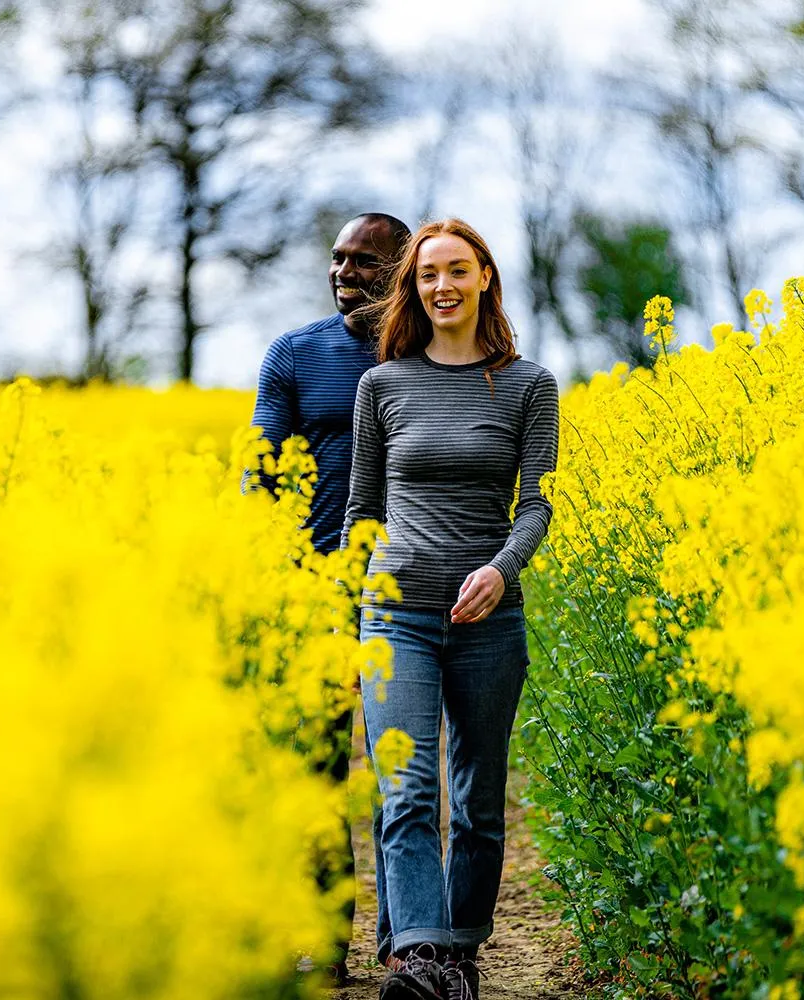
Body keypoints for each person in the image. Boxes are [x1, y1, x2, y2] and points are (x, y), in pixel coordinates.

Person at [341, 218, 560, 1000]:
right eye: (429, 274)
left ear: (485, 279)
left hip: (488, 619)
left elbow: (535, 505)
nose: (443, 286)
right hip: (393, 609)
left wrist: (501, 571)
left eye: (457, 271)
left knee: (477, 801)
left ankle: (458, 953)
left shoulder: (529, 385)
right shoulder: (382, 385)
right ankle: (422, 957)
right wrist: (345, 615)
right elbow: (362, 511)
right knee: (407, 790)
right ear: (414, 287)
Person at [244, 212, 411, 986]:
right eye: (338, 260)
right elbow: (261, 475)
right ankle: (321, 947)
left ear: (403, 266)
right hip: (314, 594)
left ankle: (409, 949)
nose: (344, 272)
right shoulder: (295, 353)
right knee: (314, 777)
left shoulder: (433, 353)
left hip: (410, 596)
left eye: (365, 261)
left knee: (403, 781)